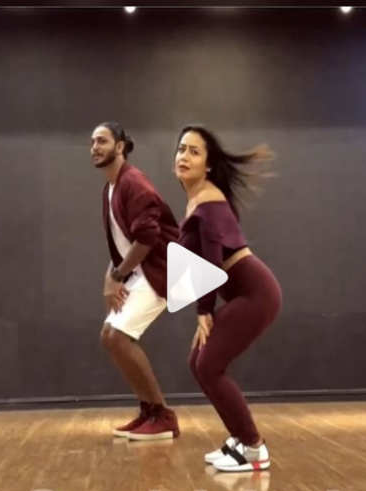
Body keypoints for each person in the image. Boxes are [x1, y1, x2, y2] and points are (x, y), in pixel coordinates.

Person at [173, 125, 282, 471]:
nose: (184, 156)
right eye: (181, 149)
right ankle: (239, 438)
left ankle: (253, 448)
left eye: (194, 151)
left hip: (257, 293)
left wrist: (204, 311)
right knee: (198, 362)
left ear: (208, 165)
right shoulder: (198, 199)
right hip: (244, 294)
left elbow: (211, 260)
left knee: (209, 365)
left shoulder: (208, 200)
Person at [91, 122, 180, 440]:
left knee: (117, 337)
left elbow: (147, 237)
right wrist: (111, 277)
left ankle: (163, 416)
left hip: (164, 270)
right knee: (109, 336)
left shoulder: (134, 182)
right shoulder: (111, 188)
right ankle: (149, 412)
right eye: (92, 142)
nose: (95, 147)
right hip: (142, 270)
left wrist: (117, 276)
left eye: (102, 141)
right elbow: (123, 245)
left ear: (120, 147)